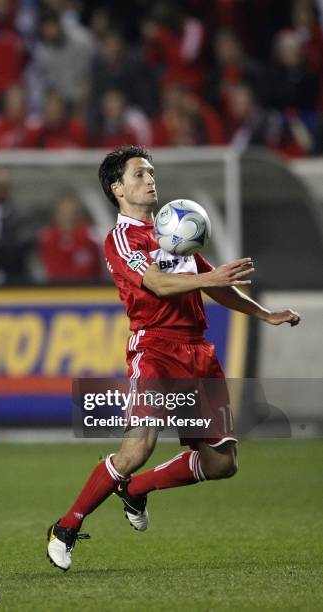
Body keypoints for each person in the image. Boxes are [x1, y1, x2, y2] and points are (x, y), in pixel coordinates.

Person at [47, 145, 301, 572]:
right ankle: (66, 526)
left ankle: (137, 490)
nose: (150, 179)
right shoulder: (121, 238)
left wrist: (264, 313)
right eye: (140, 174)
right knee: (136, 449)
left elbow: (213, 286)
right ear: (118, 188)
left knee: (222, 463)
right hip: (155, 350)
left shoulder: (172, 230)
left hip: (198, 352)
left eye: (151, 172)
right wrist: (210, 275)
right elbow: (158, 284)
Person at [39, 193, 102, 282]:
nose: (69, 217)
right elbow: (52, 269)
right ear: (56, 214)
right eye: (65, 212)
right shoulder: (48, 238)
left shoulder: (91, 236)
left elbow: (97, 268)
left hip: (88, 290)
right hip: (58, 290)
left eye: (73, 212)